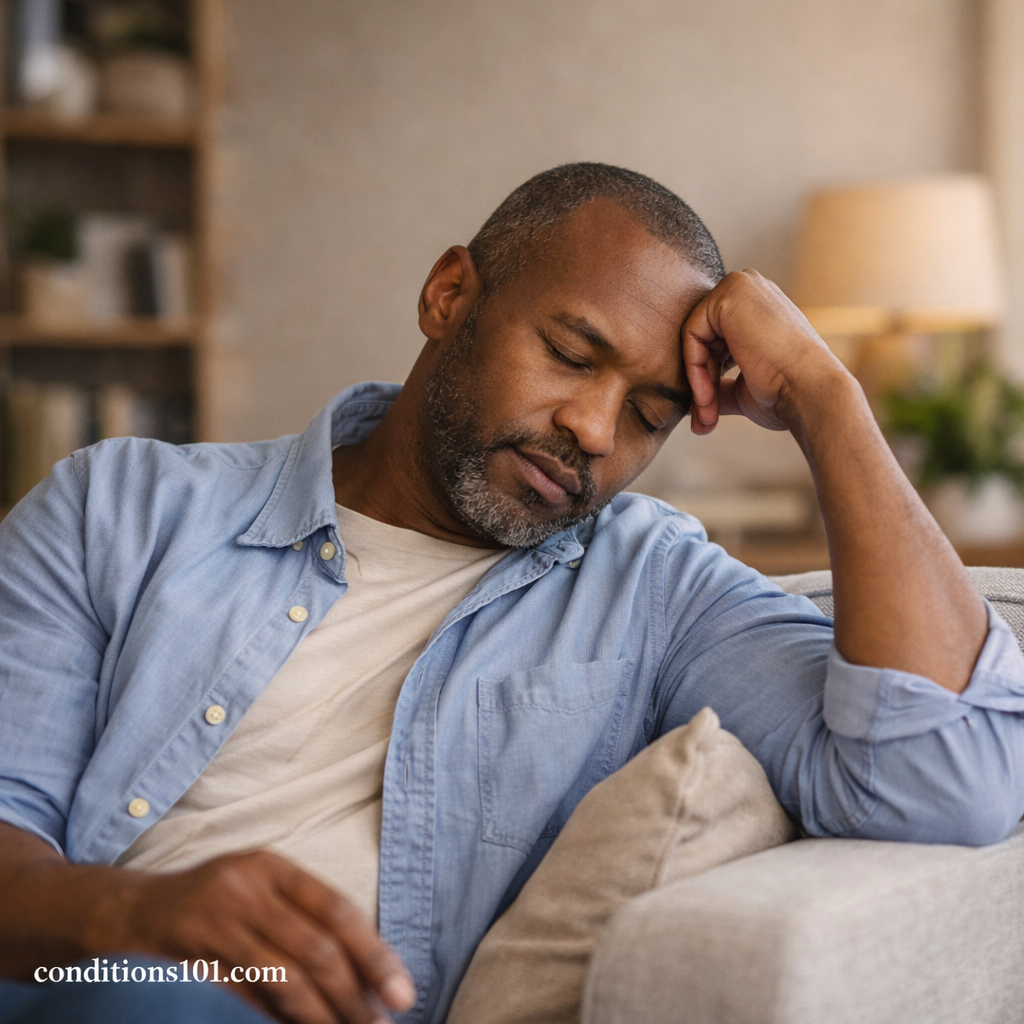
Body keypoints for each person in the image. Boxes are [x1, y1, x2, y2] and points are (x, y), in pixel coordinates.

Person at [1, 162, 1023, 1024]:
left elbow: (948, 777)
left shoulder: (655, 588)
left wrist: (821, 394)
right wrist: (127, 919)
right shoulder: (119, 507)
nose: (591, 428)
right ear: (449, 295)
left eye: (649, 412)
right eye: (571, 355)